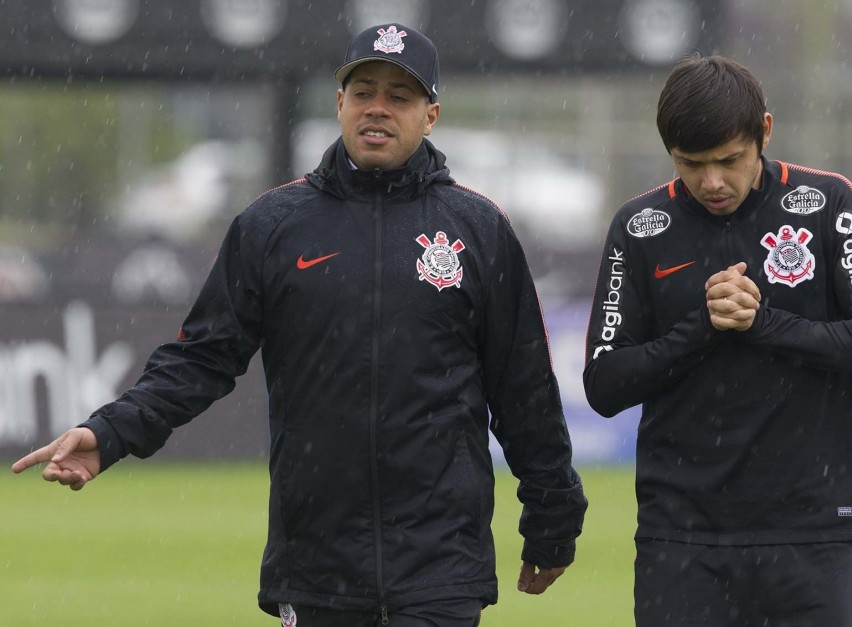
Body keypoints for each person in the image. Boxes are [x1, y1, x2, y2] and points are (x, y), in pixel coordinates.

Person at [12, 23, 587, 627]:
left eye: (400, 95)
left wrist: (553, 518)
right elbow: (201, 358)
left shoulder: (478, 229)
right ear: (339, 102)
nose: (378, 109)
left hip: (441, 567)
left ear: (431, 114)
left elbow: (523, 391)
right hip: (316, 566)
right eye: (364, 91)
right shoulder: (272, 225)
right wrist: (111, 432)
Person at [583, 54, 852, 626]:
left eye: (729, 160)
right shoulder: (640, 226)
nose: (712, 182)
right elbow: (604, 383)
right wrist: (703, 328)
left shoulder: (828, 203)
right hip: (679, 538)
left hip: (810, 533)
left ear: (763, 131)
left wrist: (765, 324)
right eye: (691, 164)